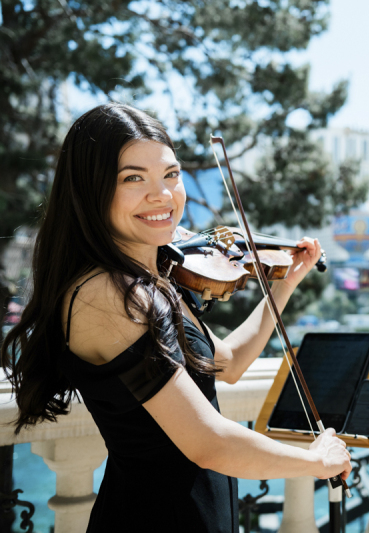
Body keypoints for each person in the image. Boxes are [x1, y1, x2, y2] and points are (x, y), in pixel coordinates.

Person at [1, 103, 351, 532]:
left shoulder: (152, 282)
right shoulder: (107, 295)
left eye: (171, 174)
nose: (163, 195)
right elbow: (209, 443)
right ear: (91, 191)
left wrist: (284, 284)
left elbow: (229, 363)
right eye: (133, 178)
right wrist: (316, 461)